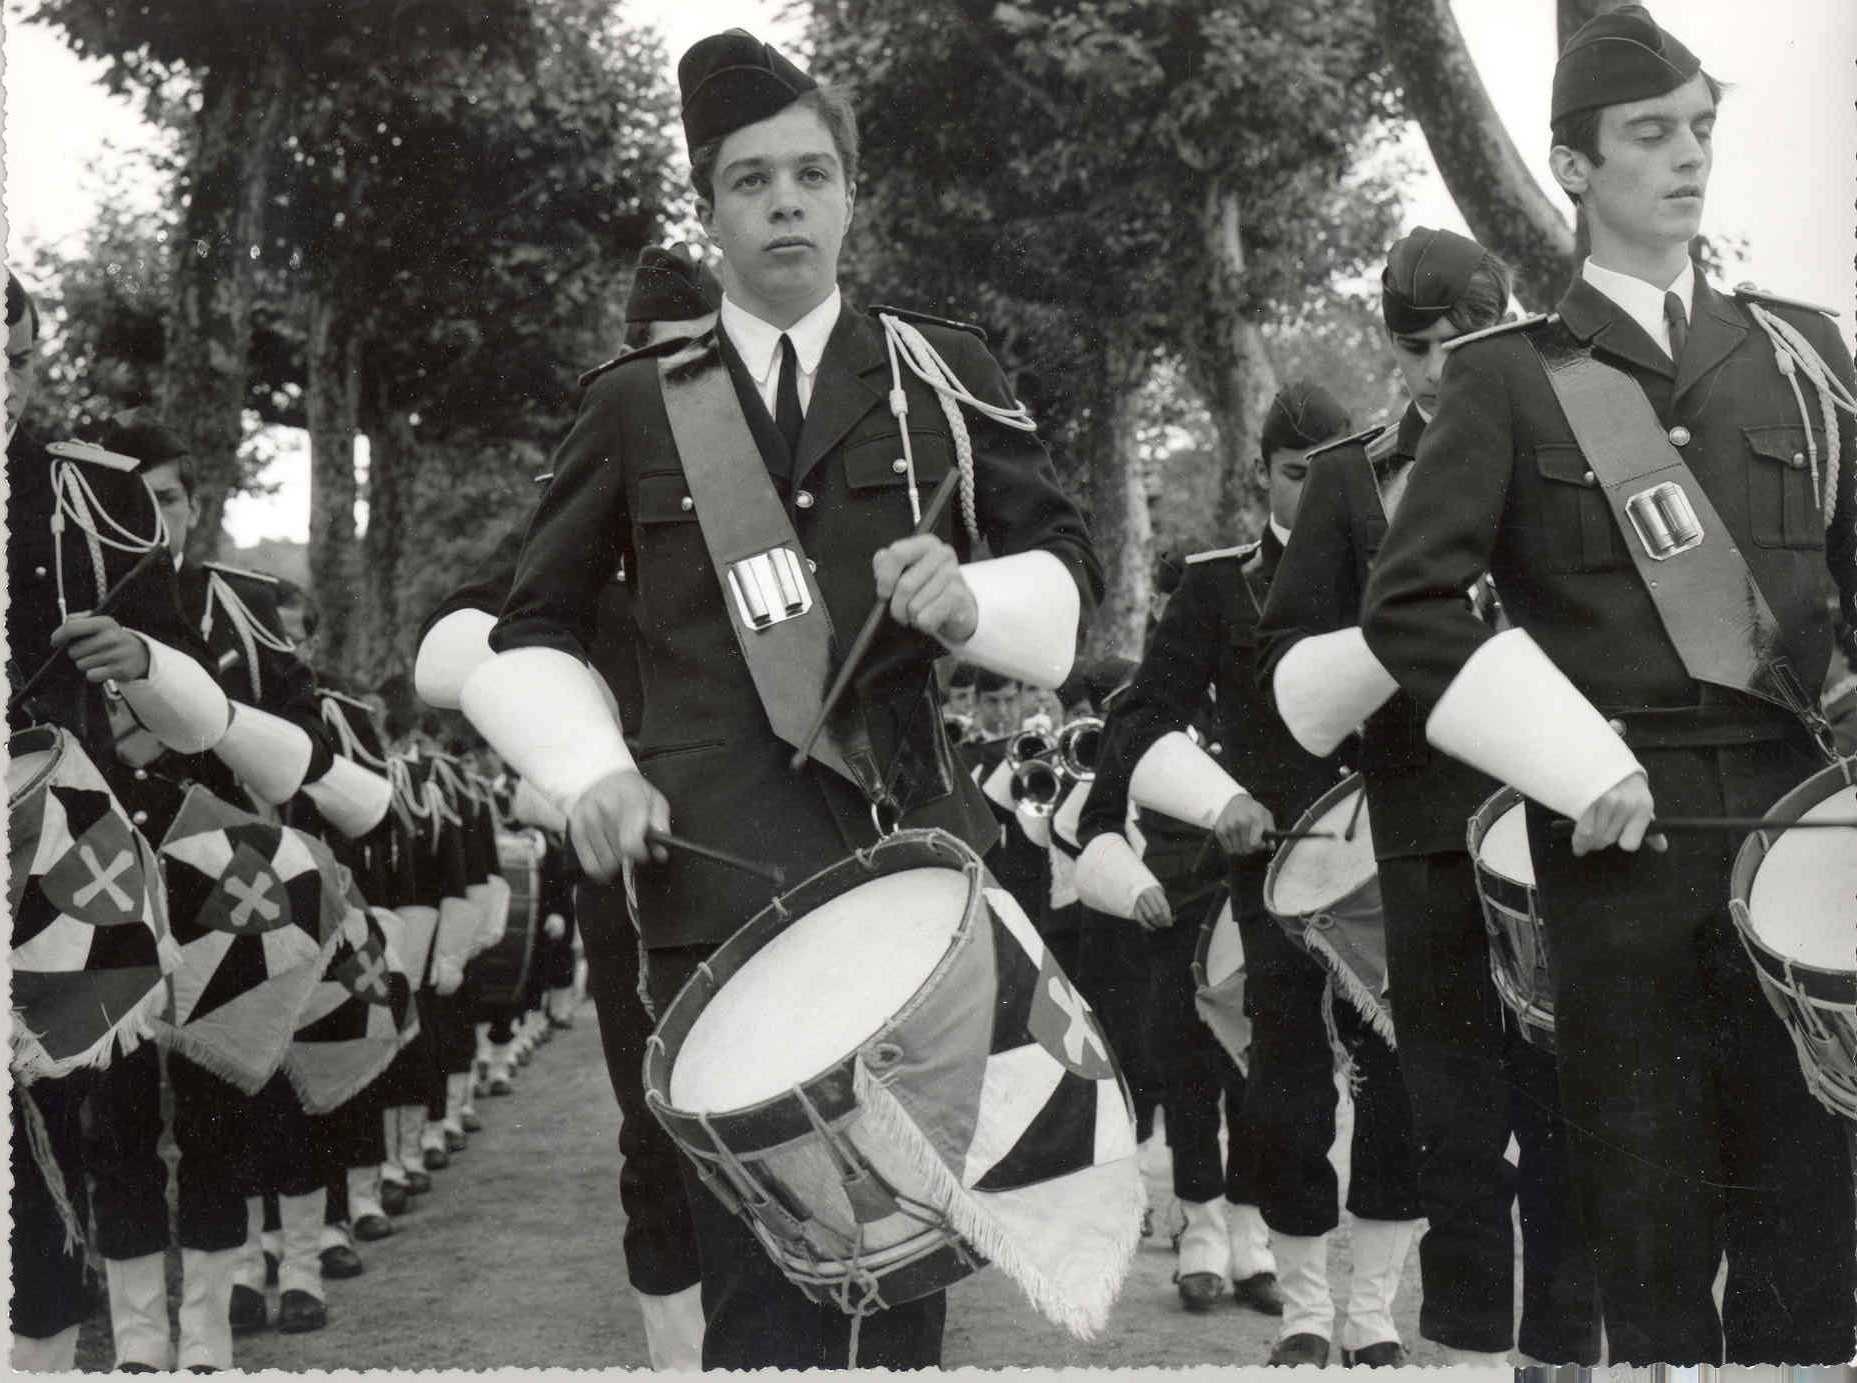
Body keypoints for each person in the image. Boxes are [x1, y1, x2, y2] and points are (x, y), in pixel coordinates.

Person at [453, 31, 1101, 1369]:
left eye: (812, 174)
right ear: (710, 210)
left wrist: (969, 600)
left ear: (852, 195)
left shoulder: (938, 377)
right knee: (757, 1299)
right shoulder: (637, 405)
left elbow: (1068, 572)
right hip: (716, 888)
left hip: (905, 880)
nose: (785, 203)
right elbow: (532, 627)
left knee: (911, 1281)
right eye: (751, 181)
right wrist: (589, 768)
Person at [1360, 6, 1856, 1363]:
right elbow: (1407, 606)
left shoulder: (1801, 357)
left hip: (1798, 848)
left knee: (1811, 1245)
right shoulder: (1509, 380)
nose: (1689, 155)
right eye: (1650, 133)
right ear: (1572, 168)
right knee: (1646, 1242)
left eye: (1701, 128)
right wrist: (1572, 761)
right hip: (1617, 856)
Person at [1257, 228, 1602, 1366]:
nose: (1442, 366)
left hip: (1558, 824)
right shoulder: (1348, 477)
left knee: (1567, 1113)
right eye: (1418, 348)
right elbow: (1289, 667)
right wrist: (1403, 620)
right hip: (1421, 833)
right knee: (1451, 1121)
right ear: (1392, 348)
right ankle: (1466, 1349)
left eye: (1467, 338)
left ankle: (1560, 1347)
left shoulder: (1574, 437)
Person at [413, 242, 721, 1370]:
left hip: (788, 842)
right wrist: (575, 756)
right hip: (643, 866)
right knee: (661, 1132)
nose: (683, 385)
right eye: (659, 363)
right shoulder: (597, 491)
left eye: (705, 358)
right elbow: (462, 641)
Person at [1078, 380, 1421, 1366]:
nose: (1312, 494)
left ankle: (1374, 1315)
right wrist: (1214, 796)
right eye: (1294, 474)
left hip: (1394, 874)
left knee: (1399, 1093)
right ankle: (1307, 1311)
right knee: (1286, 1095)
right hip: (1271, 877)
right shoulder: (1217, 586)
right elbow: (1138, 719)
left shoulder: (1404, 571)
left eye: (1331, 475)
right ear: (1263, 474)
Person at [5, 272, 233, 1372]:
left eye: (14, 358)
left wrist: (139, 658)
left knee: (63, 1132)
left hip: (56, 860)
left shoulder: (86, 500)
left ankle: (92, 1354)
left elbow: (194, 719)